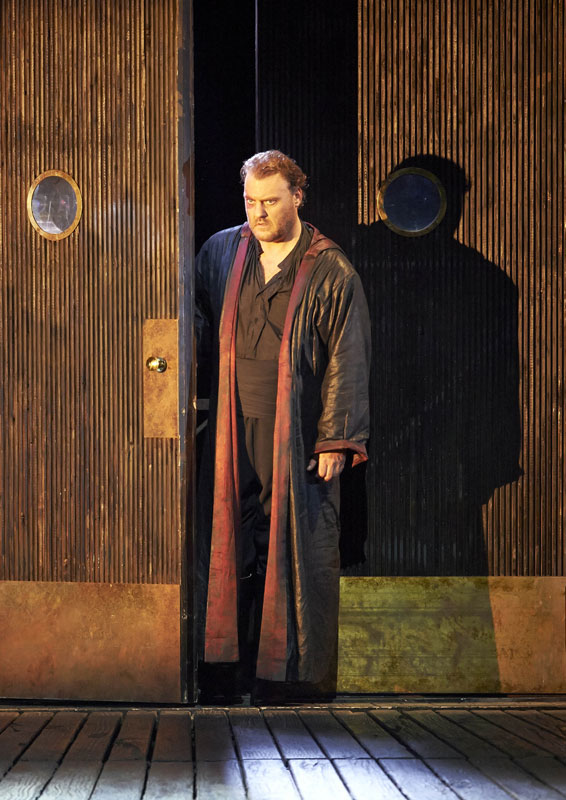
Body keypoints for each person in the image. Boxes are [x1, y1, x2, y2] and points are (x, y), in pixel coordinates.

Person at [195, 150, 370, 700]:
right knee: (230, 540)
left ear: (298, 196)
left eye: (270, 201)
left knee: (288, 543)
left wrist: (336, 438)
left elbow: (348, 356)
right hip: (230, 426)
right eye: (251, 201)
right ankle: (225, 672)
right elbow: (194, 317)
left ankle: (287, 677)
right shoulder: (222, 250)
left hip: (292, 429)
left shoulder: (329, 268)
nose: (259, 213)